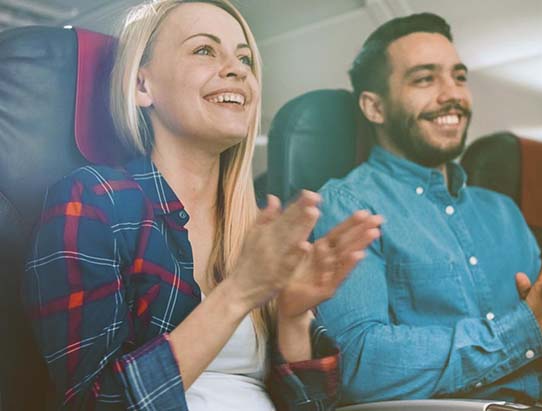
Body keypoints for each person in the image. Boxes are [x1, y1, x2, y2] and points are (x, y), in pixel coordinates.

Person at [22, 1, 381, 410]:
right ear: (143, 86)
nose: (237, 69)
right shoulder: (95, 202)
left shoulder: (263, 223)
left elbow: (313, 404)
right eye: (204, 50)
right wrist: (239, 293)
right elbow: (96, 404)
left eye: (244, 58)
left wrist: (294, 315)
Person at [312, 12, 542, 408]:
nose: (453, 94)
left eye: (459, 76)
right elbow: (361, 364)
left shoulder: (502, 212)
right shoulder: (348, 205)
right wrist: (527, 333)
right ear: (374, 107)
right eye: (425, 79)